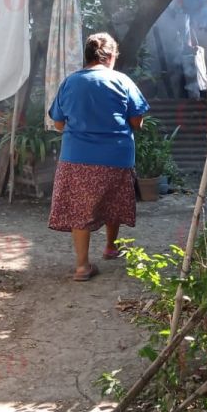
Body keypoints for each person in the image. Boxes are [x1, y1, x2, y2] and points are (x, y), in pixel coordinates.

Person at [47, 32, 150, 281]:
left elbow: (58, 123)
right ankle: (110, 247)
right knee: (112, 201)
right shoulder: (122, 81)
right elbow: (137, 121)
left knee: (80, 209)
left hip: (76, 158)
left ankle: (82, 266)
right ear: (111, 56)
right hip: (115, 157)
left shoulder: (70, 82)